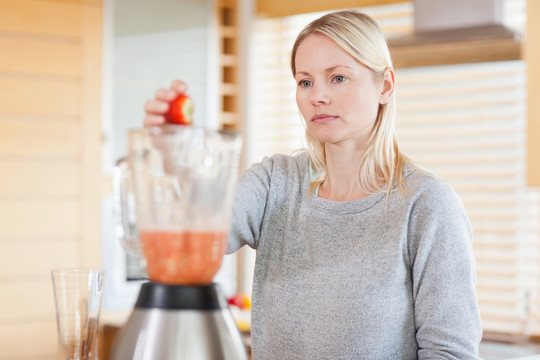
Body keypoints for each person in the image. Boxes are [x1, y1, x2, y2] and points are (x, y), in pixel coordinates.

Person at [144, 10, 482, 360]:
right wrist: (171, 158)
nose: (316, 96)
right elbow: (180, 248)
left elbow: (450, 353)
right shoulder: (275, 183)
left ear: (385, 86)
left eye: (337, 78)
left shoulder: (427, 205)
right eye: (305, 82)